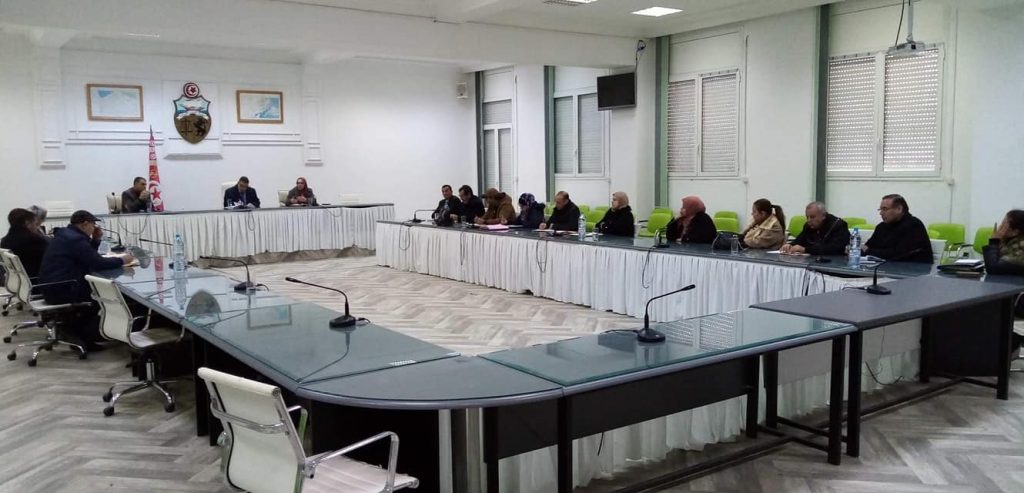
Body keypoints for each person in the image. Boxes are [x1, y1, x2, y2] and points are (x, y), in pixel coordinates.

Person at [37, 210, 134, 351]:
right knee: (104, 295)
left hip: (52, 286)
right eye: (93, 225)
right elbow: (97, 263)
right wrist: (122, 260)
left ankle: (75, 330)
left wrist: (95, 239)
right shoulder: (75, 239)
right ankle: (85, 337)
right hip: (62, 289)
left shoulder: (66, 234)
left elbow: (85, 255)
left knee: (99, 289)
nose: (94, 228)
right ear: (85, 224)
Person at [863, 194, 933, 263]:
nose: (881, 213)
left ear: (899, 209)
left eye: (885, 209)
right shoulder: (881, 227)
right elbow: (868, 246)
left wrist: (869, 251)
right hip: (886, 266)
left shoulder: (914, 225)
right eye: (880, 209)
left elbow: (898, 254)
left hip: (912, 268)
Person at [781, 202, 851, 255]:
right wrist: (790, 245)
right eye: (807, 217)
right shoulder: (808, 226)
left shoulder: (838, 225)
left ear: (823, 216)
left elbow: (835, 248)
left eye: (812, 217)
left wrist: (806, 249)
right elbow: (800, 240)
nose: (808, 220)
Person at [1, 208, 50, 278]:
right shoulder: (34, 241)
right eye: (35, 223)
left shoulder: (4, 241)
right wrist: (41, 235)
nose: (37, 227)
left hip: (17, 281)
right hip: (36, 280)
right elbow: (51, 255)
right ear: (27, 222)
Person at [983, 210, 1024, 276]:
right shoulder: (1010, 242)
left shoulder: (1021, 246)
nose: (999, 227)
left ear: (1015, 232)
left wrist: (994, 240)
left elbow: (993, 268)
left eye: (1003, 225)